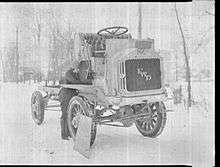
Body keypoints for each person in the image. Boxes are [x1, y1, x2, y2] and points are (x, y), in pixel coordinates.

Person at [58, 60, 81, 140]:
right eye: (76, 66)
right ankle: (64, 134)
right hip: (65, 95)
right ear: (73, 66)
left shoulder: (76, 73)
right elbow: (74, 82)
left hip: (72, 95)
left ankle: (70, 133)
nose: (77, 68)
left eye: (78, 66)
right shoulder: (68, 73)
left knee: (71, 114)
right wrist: (84, 81)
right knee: (65, 114)